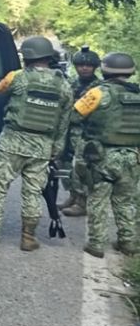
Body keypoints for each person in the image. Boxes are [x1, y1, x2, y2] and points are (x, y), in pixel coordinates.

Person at [0, 36, 72, 251]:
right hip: (42, 147)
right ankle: (28, 237)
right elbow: (64, 121)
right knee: (33, 192)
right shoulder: (64, 85)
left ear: (27, 56)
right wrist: (57, 148)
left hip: (12, 142)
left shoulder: (17, 77)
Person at [73, 52, 140, 258]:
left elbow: (75, 114)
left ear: (105, 69)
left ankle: (96, 244)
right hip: (132, 156)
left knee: (98, 199)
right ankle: (127, 243)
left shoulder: (98, 92)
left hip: (102, 156)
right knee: (126, 201)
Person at [59, 46, 103, 217]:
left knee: (82, 167)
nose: (84, 68)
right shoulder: (71, 83)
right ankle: (73, 195)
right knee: (65, 164)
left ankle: (82, 202)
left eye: (89, 65)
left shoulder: (100, 87)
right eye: (81, 65)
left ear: (95, 67)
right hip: (69, 131)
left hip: (87, 133)